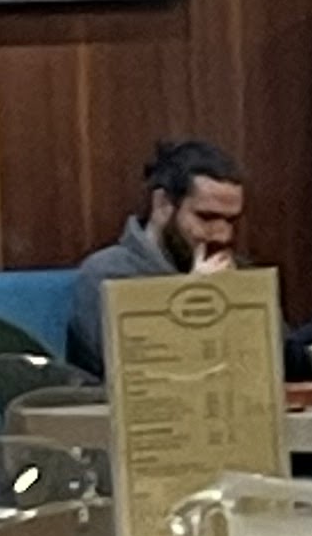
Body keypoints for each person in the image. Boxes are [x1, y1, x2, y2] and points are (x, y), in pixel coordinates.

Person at [67, 138, 243, 373]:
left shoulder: (234, 269)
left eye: (231, 221)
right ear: (162, 204)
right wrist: (196, 294)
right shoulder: (107, 275)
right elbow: (136, 371)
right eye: (206, 217)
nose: (223, 235)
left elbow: (279, 357)